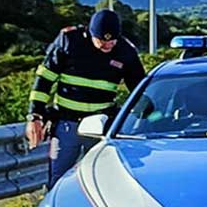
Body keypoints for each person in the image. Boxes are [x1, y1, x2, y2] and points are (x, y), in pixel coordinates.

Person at [26, 10, 146, 187]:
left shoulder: (125, 51)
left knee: (102, 180)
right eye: (102, 41)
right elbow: (44, 80)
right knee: (58, 181)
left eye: (112, 40)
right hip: (67, 124)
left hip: (102, 126)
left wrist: (154, 118)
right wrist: (35, 115)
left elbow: (140, 92)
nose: (107, 45)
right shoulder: (69, 41)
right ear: (91, 33)